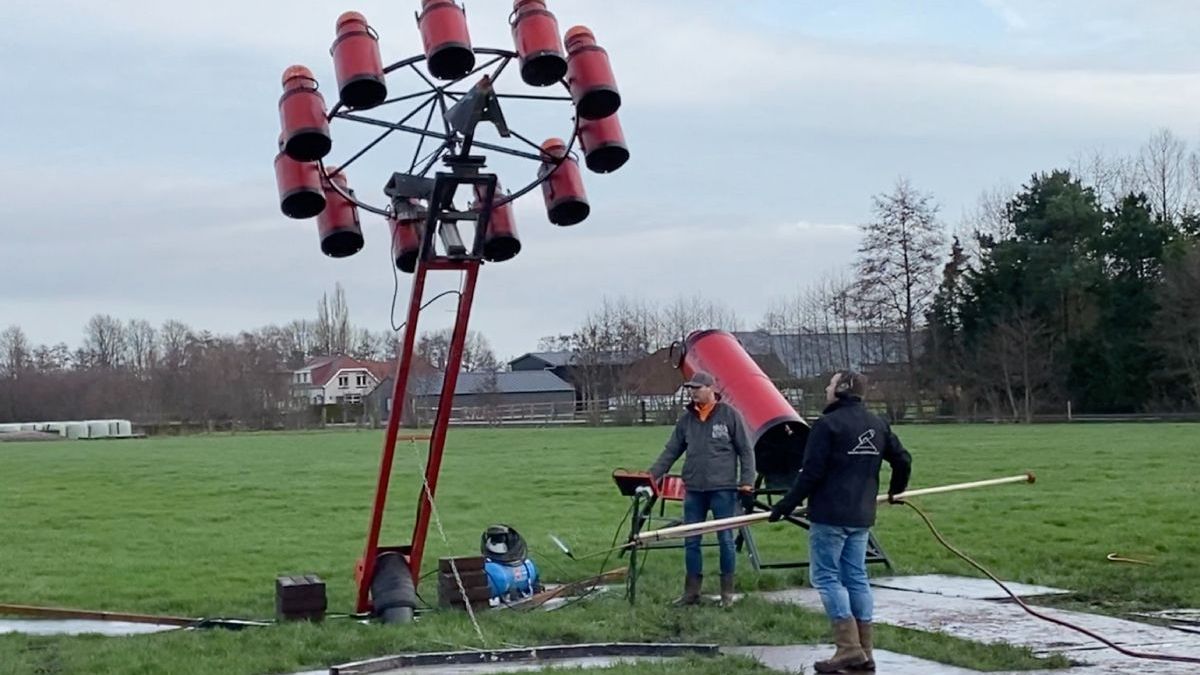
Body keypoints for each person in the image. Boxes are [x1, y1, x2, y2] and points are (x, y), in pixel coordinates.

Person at [768, 370, 912, 673]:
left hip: (830, 516)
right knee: (856, 577)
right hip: (861, 516)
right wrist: (896, 490)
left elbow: (811, 474)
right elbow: (903, 460)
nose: (826, 388)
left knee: (826, 578)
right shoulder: (877, 424)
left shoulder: (827, 425)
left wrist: (784, 505)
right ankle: (864, 652)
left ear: (843, 390)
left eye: (831, 384)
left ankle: (848, 649)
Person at [648, 370, 756, 608]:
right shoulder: (686, 419)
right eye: (691, 388)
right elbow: (671, 451)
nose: (693, 392)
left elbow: (746, 451)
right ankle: (691, 593)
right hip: (694, 489)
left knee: (726, 540)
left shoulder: (730, 416)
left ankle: (727, 593)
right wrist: (650, 477)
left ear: (711, 388)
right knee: (691, 541)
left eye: (697, 388)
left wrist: (747, 483)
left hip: (723, 489)